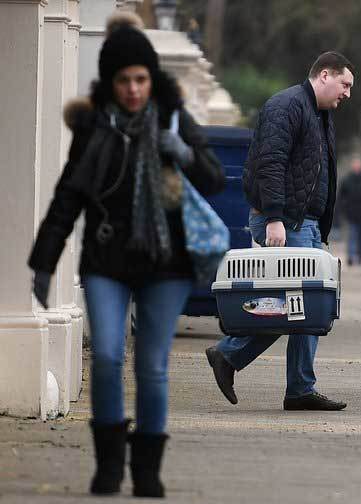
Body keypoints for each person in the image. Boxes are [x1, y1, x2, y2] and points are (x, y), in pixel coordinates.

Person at [27, 13, 224, 497]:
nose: (133, 90)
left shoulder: (174, 118)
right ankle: (110, 465)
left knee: (152, 366)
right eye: (123, 80)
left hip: (167, 263)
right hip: (107, 259)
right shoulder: (96, 126)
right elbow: (68, 195)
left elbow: (215, 178)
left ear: (151, 78)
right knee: (109, 355)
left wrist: (180, 150)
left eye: (140, 79)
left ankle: (148, 470)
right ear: (110, 82)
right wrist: (44, 260)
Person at [205, 52, 354, 411]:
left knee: (309, 308)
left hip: (307, 224)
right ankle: (230, 355)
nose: (347, 93)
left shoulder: (320, 115)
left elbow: (320, 175)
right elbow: (269, 163)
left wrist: (322, 229)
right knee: (292, 308)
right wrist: (274, 218)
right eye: (344, 84)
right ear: (324, 75)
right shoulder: (285, 106)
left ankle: (299, 386)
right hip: (286, 222)